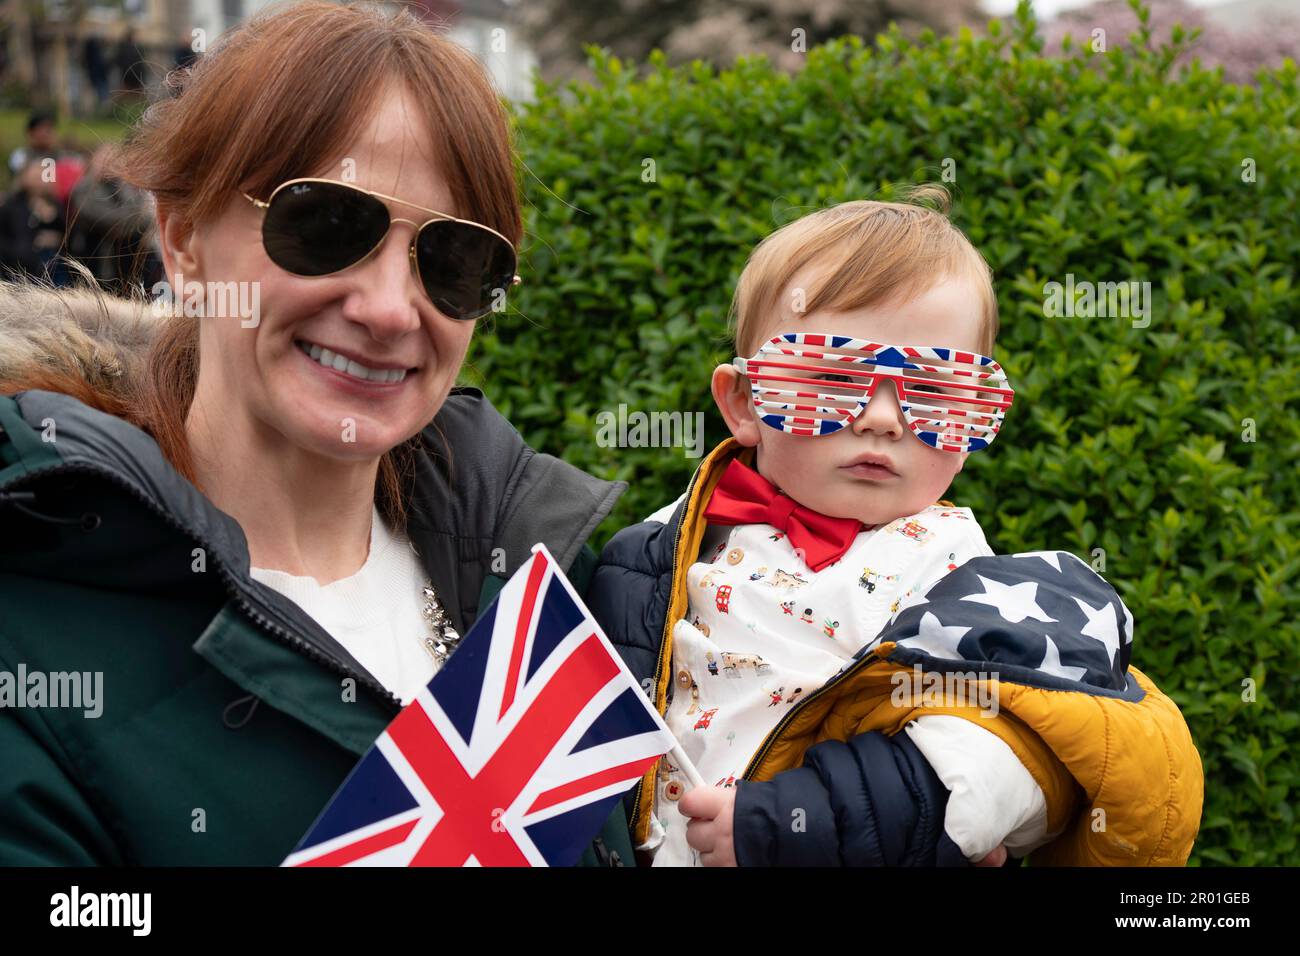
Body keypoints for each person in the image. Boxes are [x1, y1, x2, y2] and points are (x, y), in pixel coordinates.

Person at [0, 1, 631, 866]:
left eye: (452, 260)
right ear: (182, 238)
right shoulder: (33, 638)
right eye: (327, 225)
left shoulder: (548, 583)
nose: (387, 309)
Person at [588, 192, 1204, 866]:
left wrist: (792, 829)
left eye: (936, 391)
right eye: (828, 378)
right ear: (745, 403)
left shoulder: (967, 580)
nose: (882, 418)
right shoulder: (656, 553)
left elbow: (1005, 770)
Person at [66, 144, 158, 295]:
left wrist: (130, 217)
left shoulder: (124, 188)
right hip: (94, 267)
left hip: (127, 271)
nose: (110, 163)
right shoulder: (84, 189)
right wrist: (132, 217)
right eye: (104, 158)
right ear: (93, 161)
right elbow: (106, 220)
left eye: (114, 159)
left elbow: (147, 218)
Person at [0, 157, 69, 285]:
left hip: (51, 270)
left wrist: (53, 221)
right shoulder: (11, 205)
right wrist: (31, 242)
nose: (39, 181)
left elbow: (68, 235)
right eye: (35, 176)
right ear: (24, 177)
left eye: (42, 176)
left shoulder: (55, 205)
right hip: (17, 270)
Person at [6, 110, 57, 178]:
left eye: (48, 129)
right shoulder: (20, 155)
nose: (45, 134)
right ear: (30, 133)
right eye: (40, 130)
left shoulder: (61, 156)